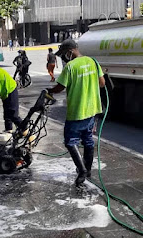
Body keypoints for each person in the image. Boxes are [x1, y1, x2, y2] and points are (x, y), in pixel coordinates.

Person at [48, 39, 105, 187]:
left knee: (70, 141)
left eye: (64, 54)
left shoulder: (71, 67)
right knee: (88, 139)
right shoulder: (93, 61)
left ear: (70, 51)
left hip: (78, 111)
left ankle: (82, 170)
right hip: (92, 109)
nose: (63, 57)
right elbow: (102, 83)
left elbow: (60, 87)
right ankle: (88, 169)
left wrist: (50, 91)